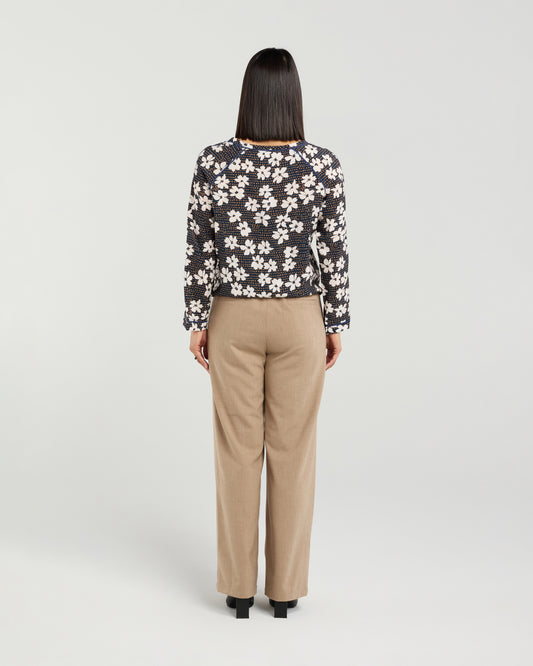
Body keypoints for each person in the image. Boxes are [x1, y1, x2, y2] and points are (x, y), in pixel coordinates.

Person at [182, 47, 350, 619]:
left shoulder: (214, 161)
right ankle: (284, 591)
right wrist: (335, 323)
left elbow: (200, 246)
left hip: (232, 315)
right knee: (293, 451)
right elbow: (333, 250)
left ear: (248, 96)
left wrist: (196, 320)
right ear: (293, 96)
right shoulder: (322, 164)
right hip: (301, 317)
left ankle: (236, 589)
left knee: (237, 450)